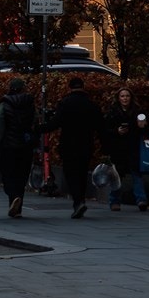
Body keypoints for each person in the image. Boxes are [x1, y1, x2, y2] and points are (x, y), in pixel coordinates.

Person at [40, 76, 104, 218]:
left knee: (71, 174)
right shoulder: (91, 104)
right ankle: (81, 199)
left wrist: (39, 128)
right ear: (83, 87)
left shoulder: (65, 103)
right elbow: (100, 126)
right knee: (82, 173)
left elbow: (55, 123)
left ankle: (78, 201)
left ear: (70, 88)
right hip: (86, 144)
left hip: (68, 144)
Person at [0, 77, 38, 218]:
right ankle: (18, 208)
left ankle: (14, 197)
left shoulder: (5, 104)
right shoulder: (30, 103)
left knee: (8, 175)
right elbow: (35, 123)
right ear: (23, 88)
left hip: (8, 146)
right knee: (22, 176)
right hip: (26, 146)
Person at [102, 88, 148, 210]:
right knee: (117, 175)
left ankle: (141, 200)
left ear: (131, 98)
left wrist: (142, 126)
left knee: (136, 173)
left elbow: (146, 129)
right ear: (118, 98)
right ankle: (114, 201)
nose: (125, 98)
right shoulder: (112, 112)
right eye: (122, 96)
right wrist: (116, 131)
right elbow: (106, 130)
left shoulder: (138, 112)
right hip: (118, 148)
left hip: (133, 146)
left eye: (127, 96)